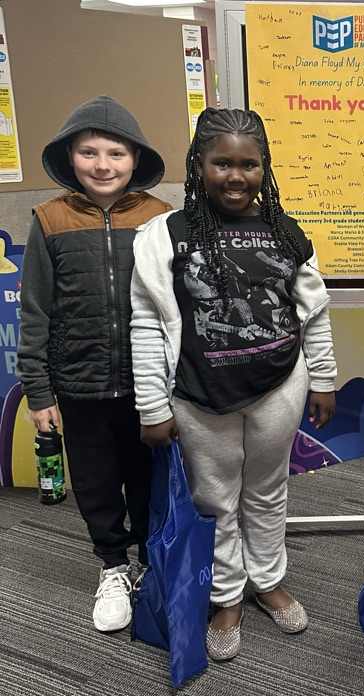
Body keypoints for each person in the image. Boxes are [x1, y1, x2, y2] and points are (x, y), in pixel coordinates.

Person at [130, 107, 337, 662]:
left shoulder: (286, 232)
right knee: (215, 498)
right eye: (222, 163)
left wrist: (323, 378)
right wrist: (152, 406)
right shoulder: (164, 235)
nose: (236, 176)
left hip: (279, 386)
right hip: (199, 396)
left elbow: (314, 314)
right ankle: (227, 596)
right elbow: (146, 323)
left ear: (264, 168)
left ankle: (266, 581)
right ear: (198, 164)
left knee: (267, 489)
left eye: (250, 164)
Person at [16, 95, 171, 633]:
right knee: (96, 483)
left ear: (136, 158)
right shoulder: (50, 220)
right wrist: (38, 391)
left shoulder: (158, 217)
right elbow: (35, 309)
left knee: (149, 480)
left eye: (116, 153)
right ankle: (112, 566)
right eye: (89, 152)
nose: (103, 165)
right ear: (70, 156)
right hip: (79, 385)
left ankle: (152, 562)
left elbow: (175, 304)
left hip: (148, 385)